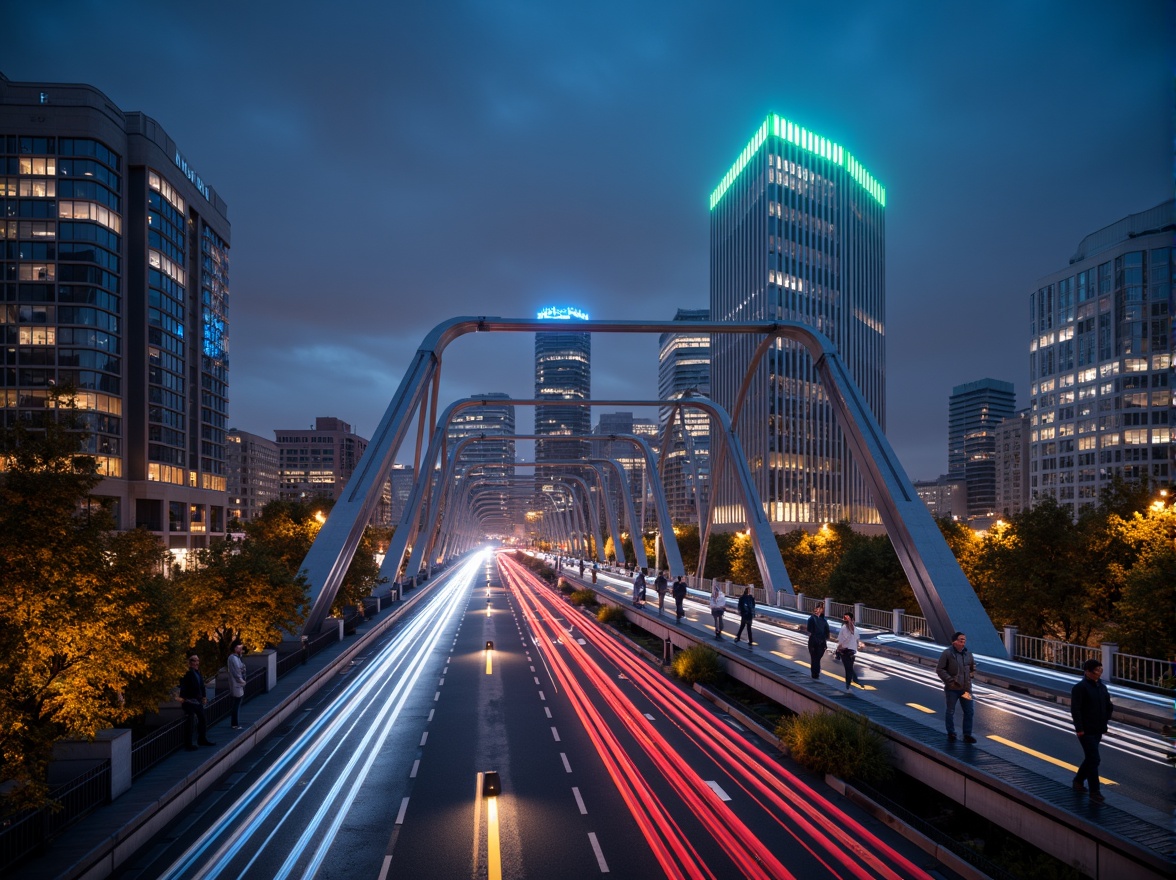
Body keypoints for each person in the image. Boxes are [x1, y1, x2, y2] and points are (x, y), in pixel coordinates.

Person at [1071, 658, 1113, 802]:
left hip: (1098, 729)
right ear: (1087, 672)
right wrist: (1079, 729)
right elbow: (1075, 710)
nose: (1099, 673)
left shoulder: (1101, 687)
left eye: (1100, 670)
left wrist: (1106, 720)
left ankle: (1078, 781)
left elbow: (1108, 705)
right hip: (1086, 730)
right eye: (1096, 670)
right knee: (1095, 759)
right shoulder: (1080, 688)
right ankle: (1094, 791)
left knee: (1090, 758)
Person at [935, 631, 976, 743]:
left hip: (966, 689)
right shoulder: (947, 653)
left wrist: (969, 678)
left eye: (964, 640)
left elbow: (972, 668)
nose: (963, 642)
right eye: (961, 639)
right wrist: (950, 681)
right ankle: (951, 732)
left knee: (969, 711)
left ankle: (967, 734)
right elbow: (940, 669)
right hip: (952, 689)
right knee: (950, 711)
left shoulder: (968, 654)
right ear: (954, 642)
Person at [179, 653, 215, 750]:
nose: (196, 662)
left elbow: (202, 686)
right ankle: (188, 744)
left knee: (202, 720)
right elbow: (184, 688)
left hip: (197, 701)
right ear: (189, 662)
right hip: (189, 702)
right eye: (193, 660)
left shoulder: (198, 673)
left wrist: (203, 697)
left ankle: (202, 739)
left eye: (197, 660)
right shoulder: (187, 673)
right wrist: (185, 698)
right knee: (189, 723)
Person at [834, 614, 860, 691]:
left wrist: (838, 649)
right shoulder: (855, 629)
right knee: (849, 667)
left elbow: (841, 640)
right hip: (851, 651)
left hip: (845, 651)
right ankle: (852, 682)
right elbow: (857, 640)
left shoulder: (844, 628)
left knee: (848, 668)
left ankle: (848, 685)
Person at [805, 603, 830, 679]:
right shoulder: (812, 619)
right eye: (820, 608)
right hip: (815, 641)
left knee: (817, 658)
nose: (822, 610)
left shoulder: (823, 620)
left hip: (820, 641)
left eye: (822, 609)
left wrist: (824, 639)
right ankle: (815, 673)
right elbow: (809, 629)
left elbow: (827, 631)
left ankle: (816, 672)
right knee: (815, 658)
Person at [227, 640, 247, 730]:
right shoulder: (232, 658)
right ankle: (234, 724)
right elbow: (235, 672)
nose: (241, 650)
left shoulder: (237, 657)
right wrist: (241, 681)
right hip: (236, 684)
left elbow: (242, 667)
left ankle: (235, 723)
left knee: (238, 703)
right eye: (239, 648)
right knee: (236, 703)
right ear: (235, 648)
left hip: (239, 684)